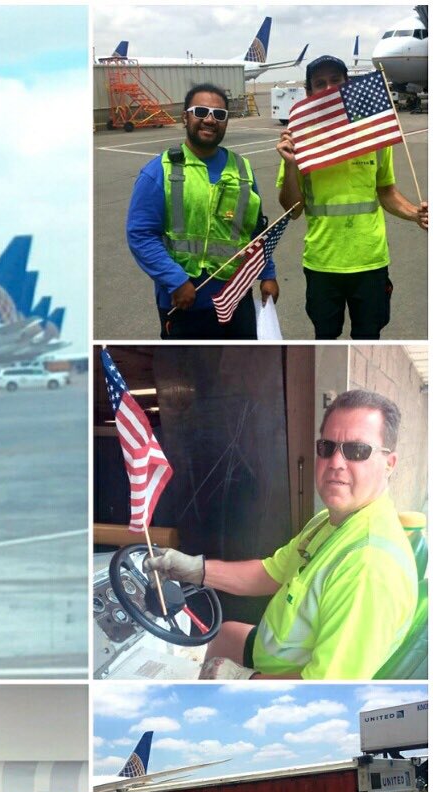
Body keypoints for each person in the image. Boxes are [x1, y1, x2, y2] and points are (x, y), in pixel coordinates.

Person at [145, 389, 419, 680]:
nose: (336, 463)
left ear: (389, 464)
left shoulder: (369, 568)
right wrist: (195, 570)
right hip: (278, 652)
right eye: (327, 447)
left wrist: (242, 680)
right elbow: (269, 574)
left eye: (357, 451)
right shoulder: (328, 521)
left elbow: (324, 689)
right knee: (223, 634)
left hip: (298, 682)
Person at [276, 55, 429, 339]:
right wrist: (289, 163)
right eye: (320, 83)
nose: (329, 88)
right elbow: (293, 209)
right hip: (322, 262)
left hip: (370, 261)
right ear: (309, 93)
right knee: (325, 337)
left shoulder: (372, 134)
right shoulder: (300, 142)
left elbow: (386, 192)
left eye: (336, 80)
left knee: (370, 335)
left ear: (347, 84)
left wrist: (414, 213)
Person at [127, 83, 279, 339]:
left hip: (236, 298)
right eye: (200, 111)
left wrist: (268, 274)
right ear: (184, 117)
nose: (210, 119)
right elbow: (140, 235)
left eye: (219, 115)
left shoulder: (243, 169)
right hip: (183, 302)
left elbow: (255, 231)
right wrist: (175, 280)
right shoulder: (159, 171)